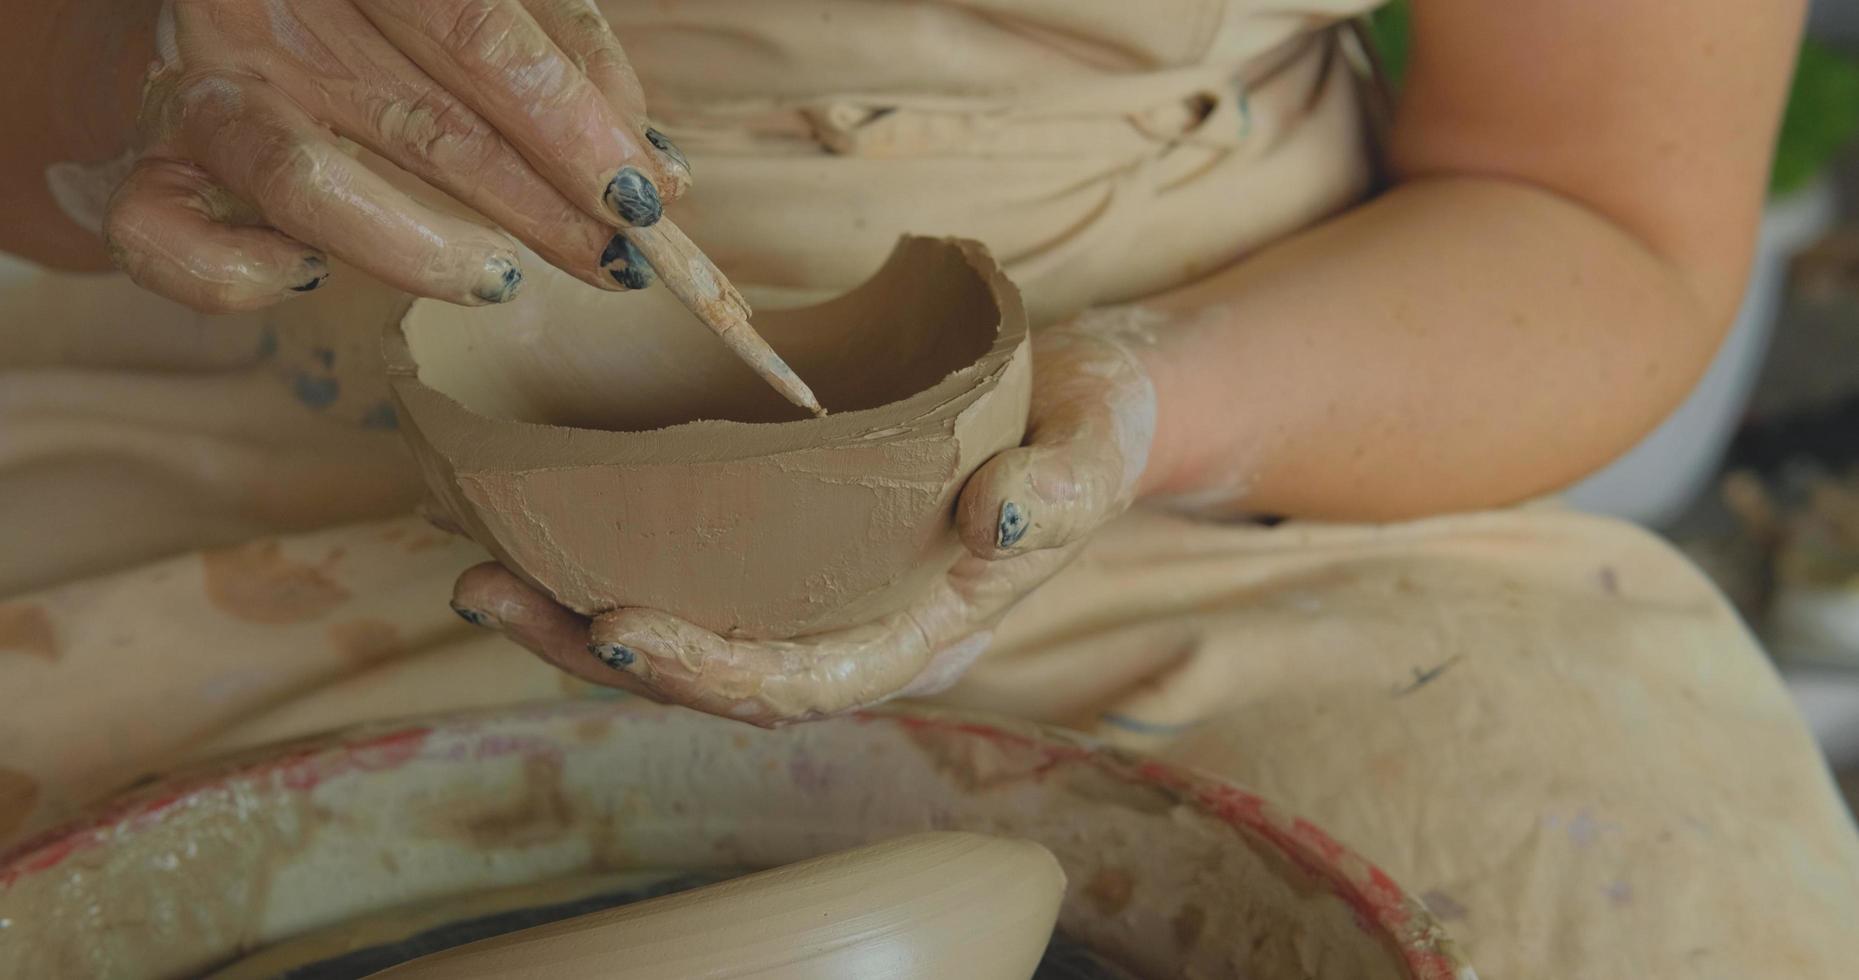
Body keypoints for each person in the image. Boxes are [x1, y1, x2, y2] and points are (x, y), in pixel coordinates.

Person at [2, 1, 1855, 975]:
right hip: (274, 400)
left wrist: (1137, 411)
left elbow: (1603, 207)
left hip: (1217, 447)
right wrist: (140, 62)